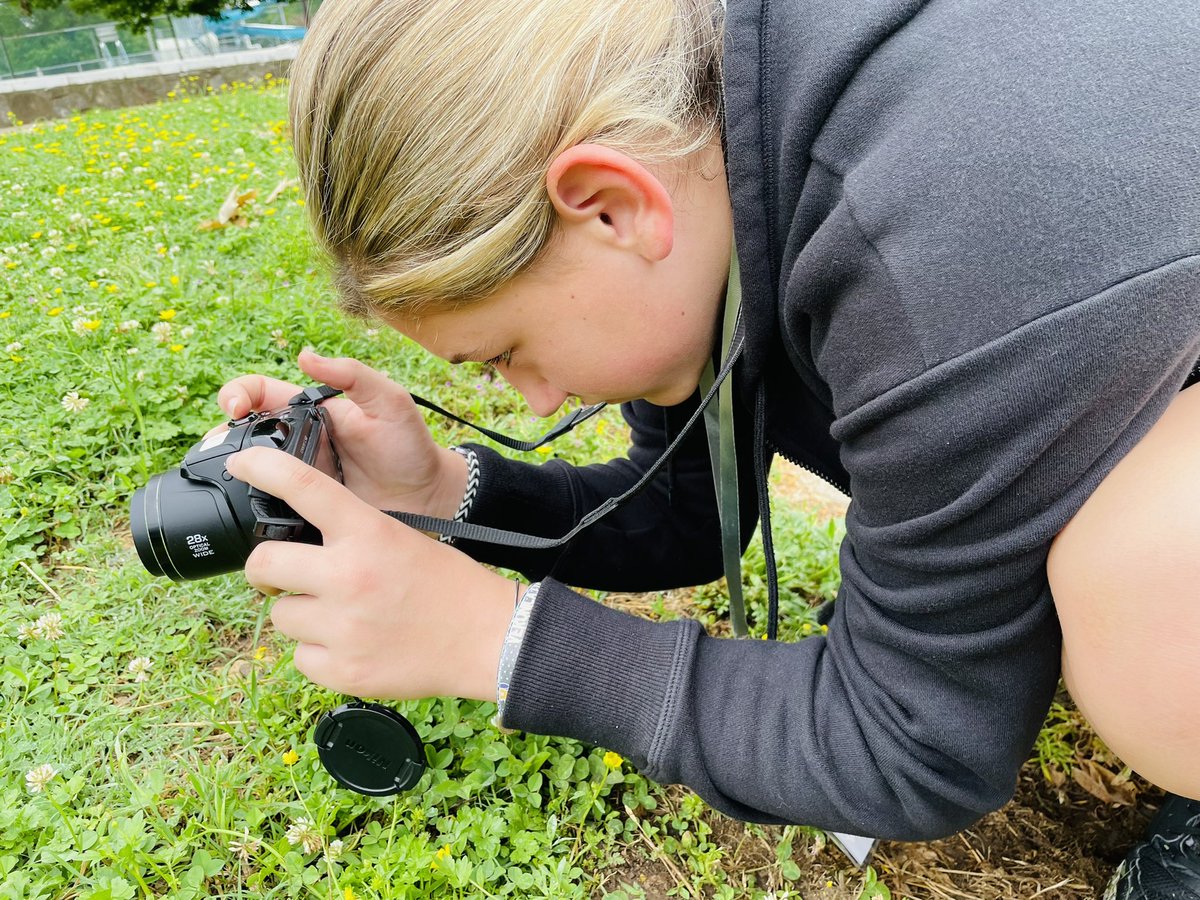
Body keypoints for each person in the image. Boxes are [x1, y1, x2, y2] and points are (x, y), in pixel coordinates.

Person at [217, 0, 1200, 894]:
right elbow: (684, 516)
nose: (540, 395)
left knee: (1158, 587)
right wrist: (440, 485)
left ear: (611, 204)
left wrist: (496, 642)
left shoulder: (940, 235)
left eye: (507, 354)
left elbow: (913, 744)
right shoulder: (720, 145)